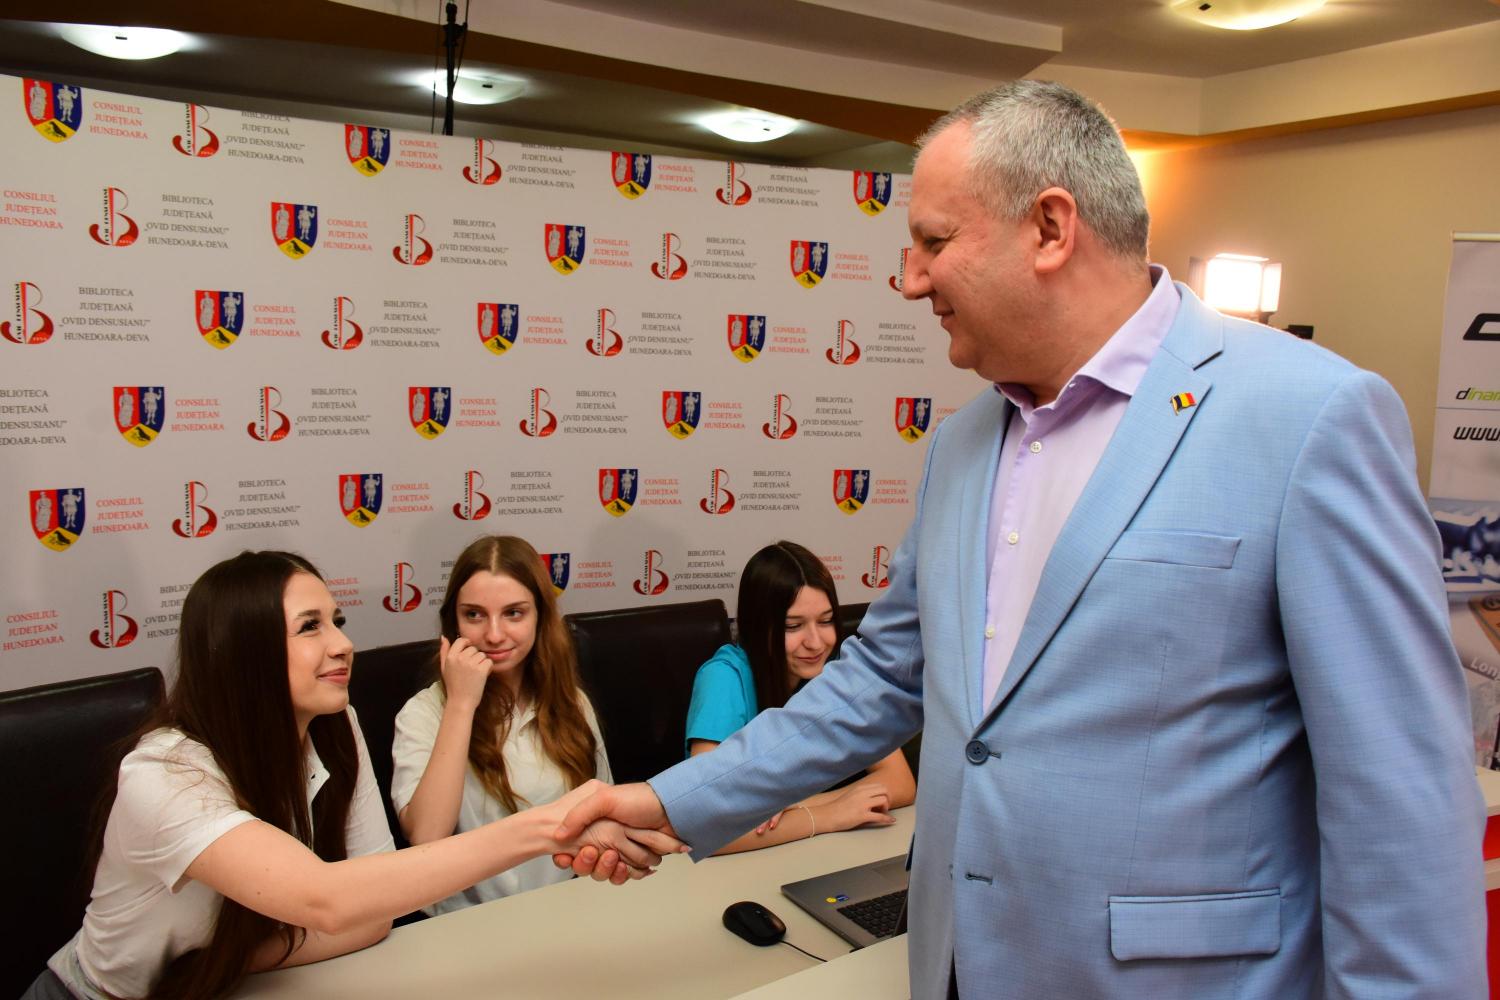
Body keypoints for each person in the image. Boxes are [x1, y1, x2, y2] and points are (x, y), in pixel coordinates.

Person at [555, 80, 1486, 999]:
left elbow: (1397, 795)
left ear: (1049, 227)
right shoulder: (962, 443)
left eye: (934, 242)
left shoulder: (1309, 416)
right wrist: (672, 801)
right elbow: (881, 680)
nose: (911, 278)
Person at [27, 551, 673, 1000]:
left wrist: (222, 960)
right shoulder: (165, 771)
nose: (342, 644)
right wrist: (552, 825)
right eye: (310, 627)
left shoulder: (337, 725)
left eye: (336, 621)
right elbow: (331, 901)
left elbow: (373, 911)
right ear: (244, 652)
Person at [391, 535, 614, 915]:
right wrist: (461, 704)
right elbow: (426, 837)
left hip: (564, 911)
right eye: (474, 615)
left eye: (513, 613)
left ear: (540, 616)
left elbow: (602, 811)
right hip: (464, 924)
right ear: (453, 621)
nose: (494, 635)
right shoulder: (424, 713)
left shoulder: (571, 702)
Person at [684, 542, 914, 853]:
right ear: (757, 626)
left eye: (826, 620)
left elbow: (900, 782)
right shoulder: (724, 678)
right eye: (793, 626)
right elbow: (703, 821)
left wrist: (793, 805)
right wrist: (828, 815)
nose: (816, 642)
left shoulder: (835, 668)